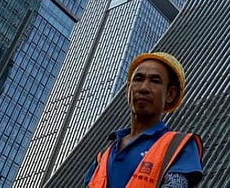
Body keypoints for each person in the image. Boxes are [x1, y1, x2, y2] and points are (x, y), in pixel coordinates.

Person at [84, 52, 203, 187]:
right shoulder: (103, 157)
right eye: (138, 79)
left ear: (170, 94)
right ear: (128, 89)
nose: (144, 88)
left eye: (155, 81)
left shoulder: (179, 146)